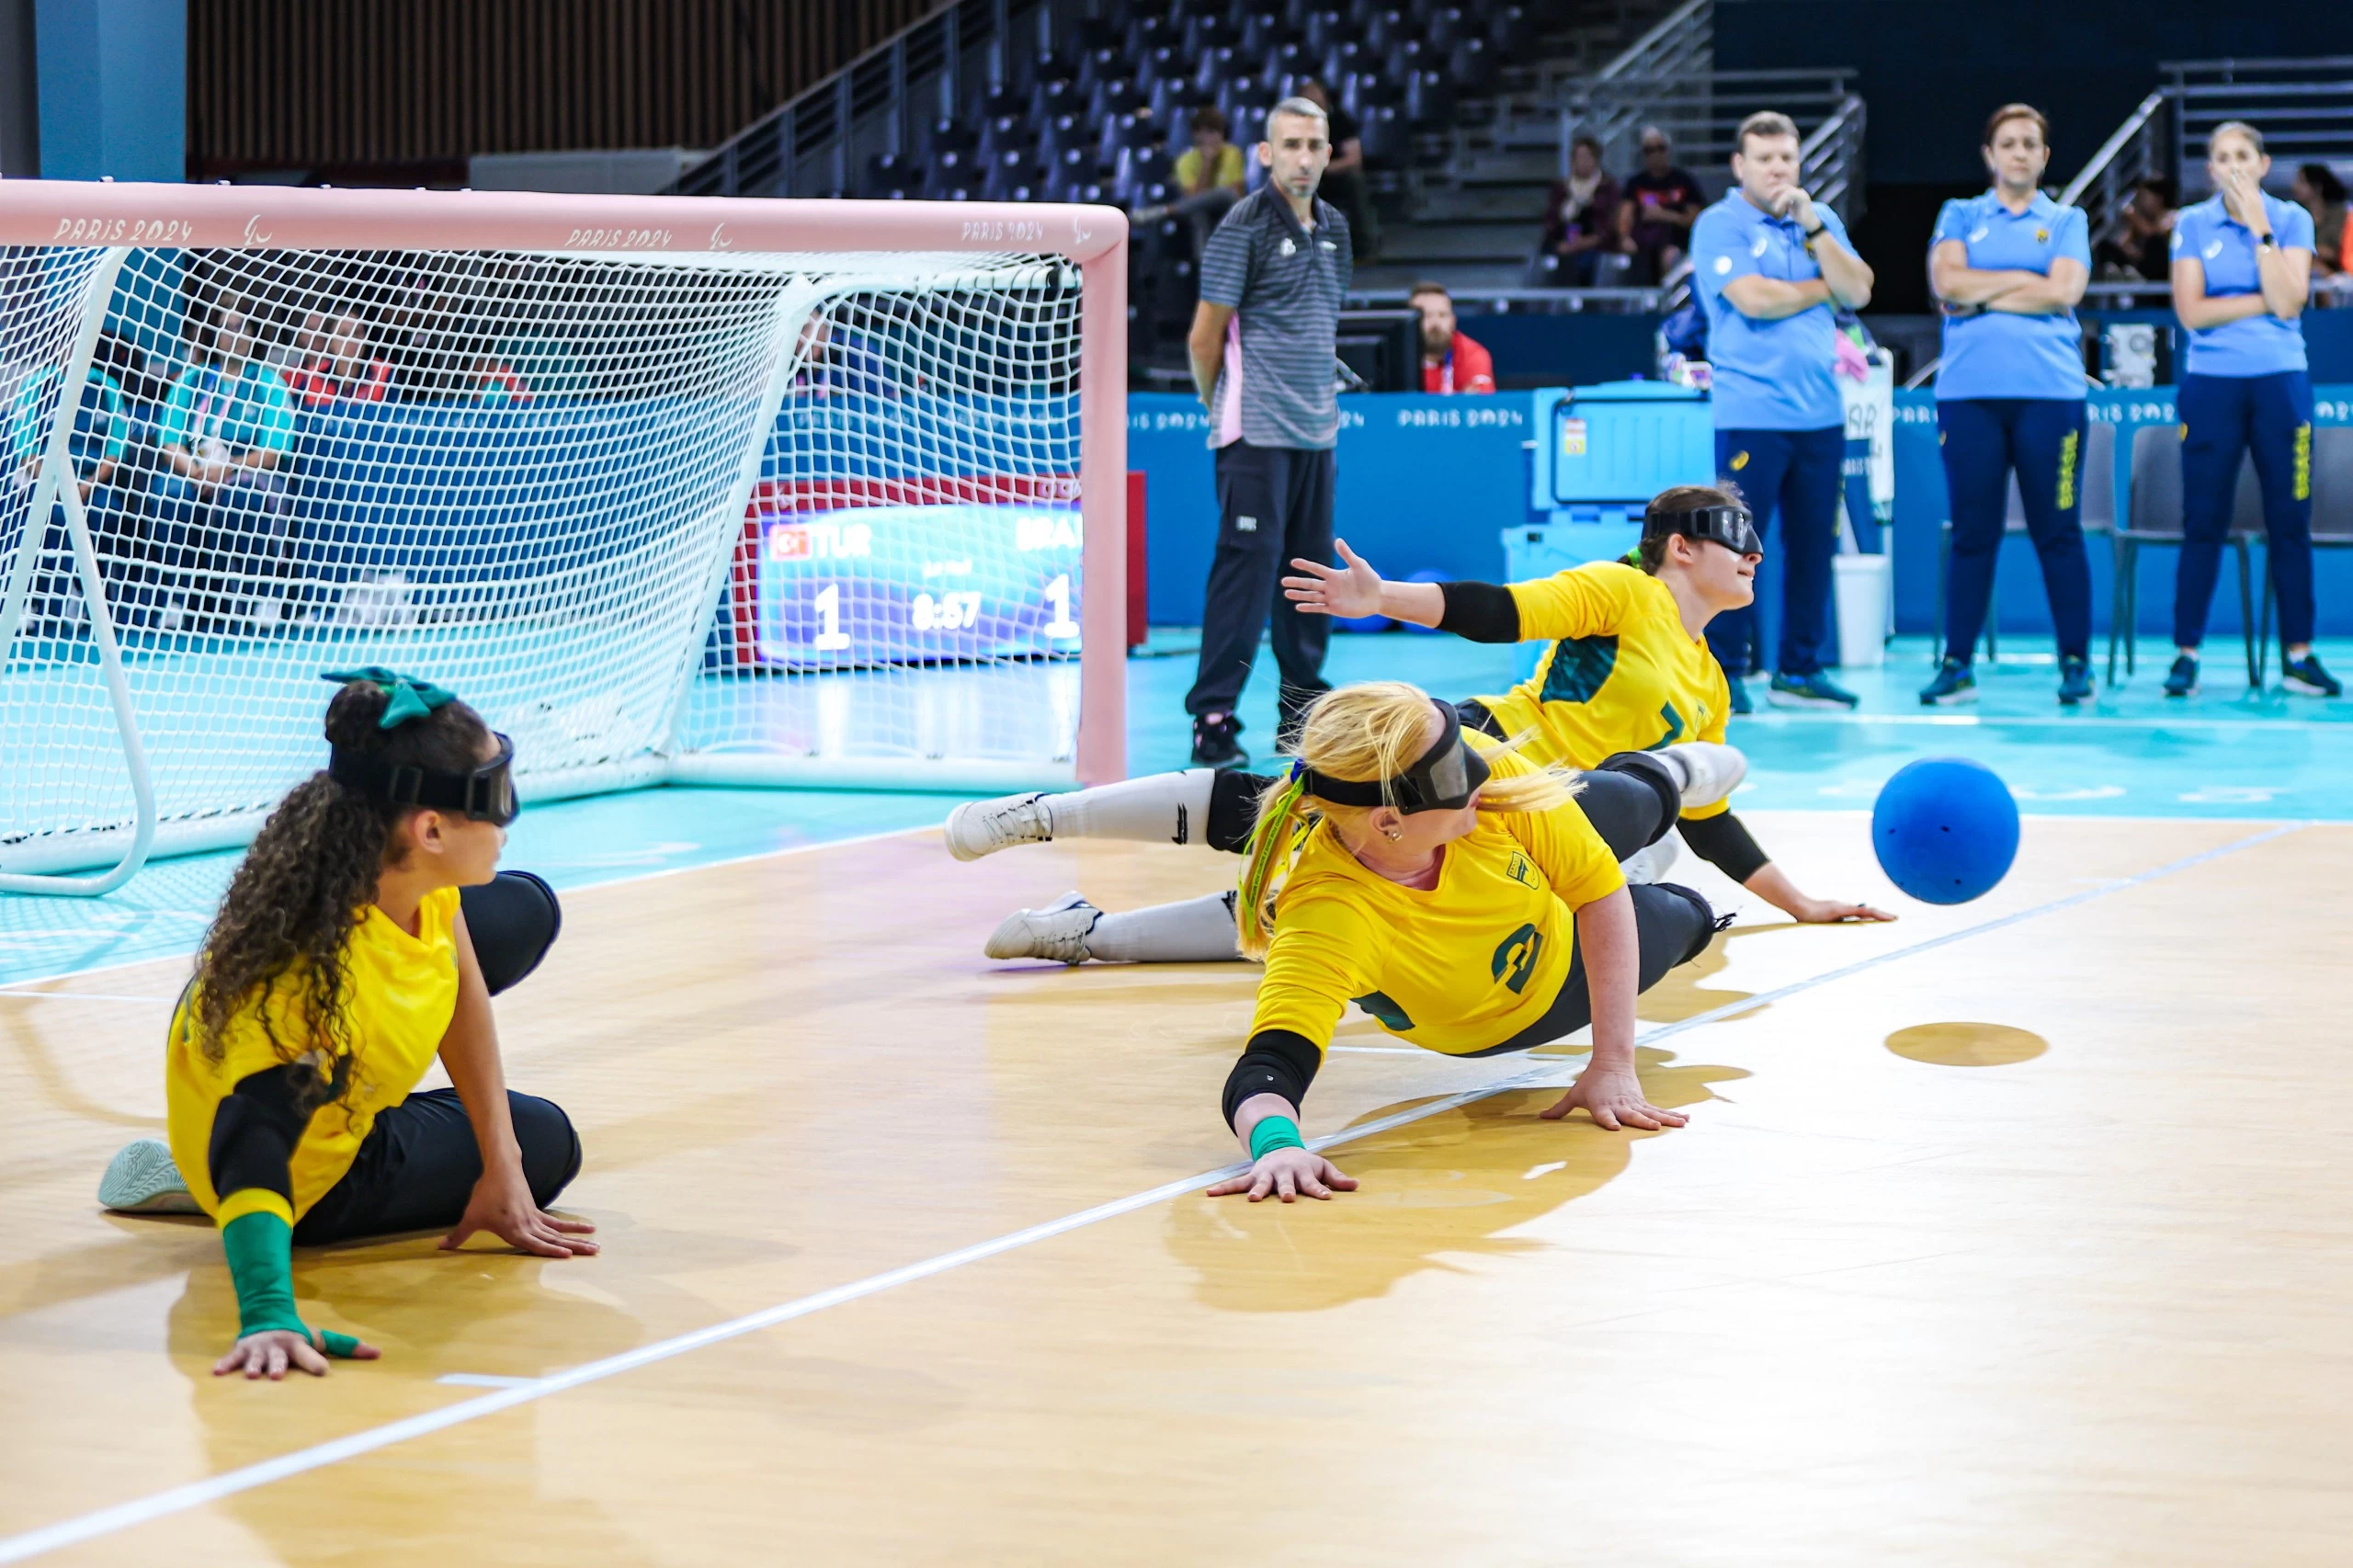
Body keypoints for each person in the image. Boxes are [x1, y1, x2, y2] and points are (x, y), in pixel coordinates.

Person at [951, 487, 1894, 967]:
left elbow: (1697, 811)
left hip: (1531, 823)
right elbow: (1496, 608)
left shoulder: (1710, 685)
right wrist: (1379, 598)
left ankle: (1087, 935)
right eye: (1743, 542)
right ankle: (1040, 815)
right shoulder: (1625, 590)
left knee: (1324, 902)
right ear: (1683, 547)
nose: (1758, 557)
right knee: (1290, 801)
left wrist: (1799, 901)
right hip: (1480, 752)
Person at [94, 668, 593, 1380]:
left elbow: (460, 976)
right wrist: (268, 1311)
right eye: (495, 799)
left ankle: (240, 1162)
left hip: (237, 1075)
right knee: (552, 1142)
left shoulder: (397, 863)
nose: (509, 817)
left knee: (525, 908)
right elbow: (254, 1136)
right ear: (431, 828)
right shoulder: (315, 992)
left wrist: (498, 1160)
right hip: (299, 1169)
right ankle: (222, 1201)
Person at [1203, 681, 1721, 1202]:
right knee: (1690, 916)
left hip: (1523, 876)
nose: (1478, 769)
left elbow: (1601, 894)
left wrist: (1613, 1062)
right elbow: (1271, 1065)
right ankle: (1634, 864)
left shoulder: (1474, 786)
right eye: (1453, 770)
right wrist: (1277, 1147)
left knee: (1636, 800)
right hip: (1525, 1004)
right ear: (1388, 821)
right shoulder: (1330, 916)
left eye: (1462, 745)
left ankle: (1674, 773)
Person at [1184, 95, 1353, 768]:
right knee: (1245, 578)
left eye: (1315, 146)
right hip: (1253, 431)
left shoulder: (1336, 227)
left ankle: (1302, 713)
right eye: (1291, 146)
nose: (1304, 158)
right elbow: (1204, 337)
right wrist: (1214, 408)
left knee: (1310, 576)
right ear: (1266, 153)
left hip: (1318, 430)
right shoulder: (1243, 226)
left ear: (1329, 153)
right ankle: (1214, 718)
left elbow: (1317, 322)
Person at [1689, 110, 1875, 712]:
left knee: (1813, 546)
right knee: (1733, 551)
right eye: (1765, 159)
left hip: (1820, 415)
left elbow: (1863, 289)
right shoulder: (1719, 225)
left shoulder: (1820, 221)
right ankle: (1725, 674)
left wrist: (1817, 232)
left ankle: (1799, 669)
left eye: (1786, 159)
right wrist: (1826, 290)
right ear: (1740, 166)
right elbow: (1755, 299)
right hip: (1752, 414)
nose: (1777, 169)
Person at [1920, 105, 2097, 707]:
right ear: (1990, 155)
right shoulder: (1960, 214)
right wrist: (2029, 284)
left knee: (2059, 533)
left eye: (2030, 144)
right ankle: (1957, 664)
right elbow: (1948, 285)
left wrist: (1983, 287)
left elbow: (2066, 291)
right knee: (1973, 533)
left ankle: (2075, 663)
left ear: (2044, 157)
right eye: (2008, 143)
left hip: (2053, 399)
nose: (2019, 152)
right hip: (1968, 400)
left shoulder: (2068, 219)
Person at [2165, 122, 2335, 698]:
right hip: (2210, 386)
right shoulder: (2192, 224)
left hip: (2281, 384)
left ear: (2262, 165)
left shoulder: (2290, 220)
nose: (2232, 166)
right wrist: (2265, 297)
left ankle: (2299, 654)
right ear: (2209, 170)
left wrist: (2260, 231)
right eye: (2221, 158)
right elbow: (2191, 312)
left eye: (2242, 156)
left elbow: (2291, 303)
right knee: (2202, 521)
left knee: (2290, 521)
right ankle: (2186, 654)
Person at [152, 300, 301, 634]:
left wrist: (229, 468)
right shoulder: (191, 380)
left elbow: (274, 450)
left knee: (243, 498)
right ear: (213, 334)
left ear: (252, 334)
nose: (233, 335)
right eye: (226, 327)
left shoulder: (268, 383)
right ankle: (178, 596)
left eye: (241, 327)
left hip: (249, 472)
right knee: (169, 498)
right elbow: (169, 441)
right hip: (196, 472)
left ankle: (261, 595)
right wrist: (196, 470)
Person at [1143, 105, 1249, 251]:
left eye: (1217, 132)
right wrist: (1207, 164)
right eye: (1208, 133)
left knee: (1225, 194)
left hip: (1229, 210)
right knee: (1198, 213)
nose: (1214, 138)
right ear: (1196, 135)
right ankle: (1205, 265)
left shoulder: (1232, 153)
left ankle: (1166, 210)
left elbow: (1237, 193)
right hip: (1200, 212)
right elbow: (1194, 199)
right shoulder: (1184, 161)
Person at [1295, 80, 1377, 263]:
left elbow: (1354, 159)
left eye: (1315, 92)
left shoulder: (1340, 120)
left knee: (1356, 181)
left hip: (1337, 175)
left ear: (1324, 96)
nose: (1312, 98)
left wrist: (1326, 168)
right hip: (1308, 178)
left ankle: (1366, 247)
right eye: (1306, 95)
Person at [1618, 127, 1706, 285]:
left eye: (1661, 148)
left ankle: (1668, 304)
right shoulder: (1635, 183)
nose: (1656, 154)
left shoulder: (1683, 180)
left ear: (1668, 151)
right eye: (1649, 150)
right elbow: (1625, 215)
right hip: (1643, 245)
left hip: (1678, 243)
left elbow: (1695, 218)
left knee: (1670, 255)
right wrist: (1625, 238)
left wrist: (1664, 215)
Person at [1538, 135, 1625, 287]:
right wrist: (1560, 244)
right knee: (1549, 263)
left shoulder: (1608, 188)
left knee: (1585, 265)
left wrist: (1585, 242)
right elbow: (1551, 220)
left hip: (1597, 245)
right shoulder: (1561, 188)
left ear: (1596, 160)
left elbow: (1611, 225)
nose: (1582, 161)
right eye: (1578, 157)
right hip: (1565, 242)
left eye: (1587, 157)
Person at [286, 311, 392, 408]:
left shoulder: (384, 374)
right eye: (344, 334)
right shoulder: (311, 379)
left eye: (357, 333)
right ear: (330, 342)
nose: (352, 340)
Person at [1409, 281, 1495, 394]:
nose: (1436, 323)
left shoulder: (1472, 353)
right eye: (1427, 316)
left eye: (1443, 315)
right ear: (1410, 322)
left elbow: (1479, 404)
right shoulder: (1395, 358)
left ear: (1453, 321)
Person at [2093, 178, 2177, 284]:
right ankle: (2116, 275)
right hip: (2141, 262)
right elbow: (2122, 244)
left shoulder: (2172, 215)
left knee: (2155, 243)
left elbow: (2153, 234)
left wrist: (2133, 216)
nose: (2140, 201)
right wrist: (2131, 249)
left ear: (2158, 198)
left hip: (2164, 268)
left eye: (2144, 197)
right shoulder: (2139, 219)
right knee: (2105, 246)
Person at [2290, 163, 2347, 282]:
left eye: (2301, 182)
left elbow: (2335, 252)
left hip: (2340, 271)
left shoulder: (2339, 214)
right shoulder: (2294, 214)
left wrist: (2307, 251)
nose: (2294, 187)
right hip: (2301, 268)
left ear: (2317, 187)